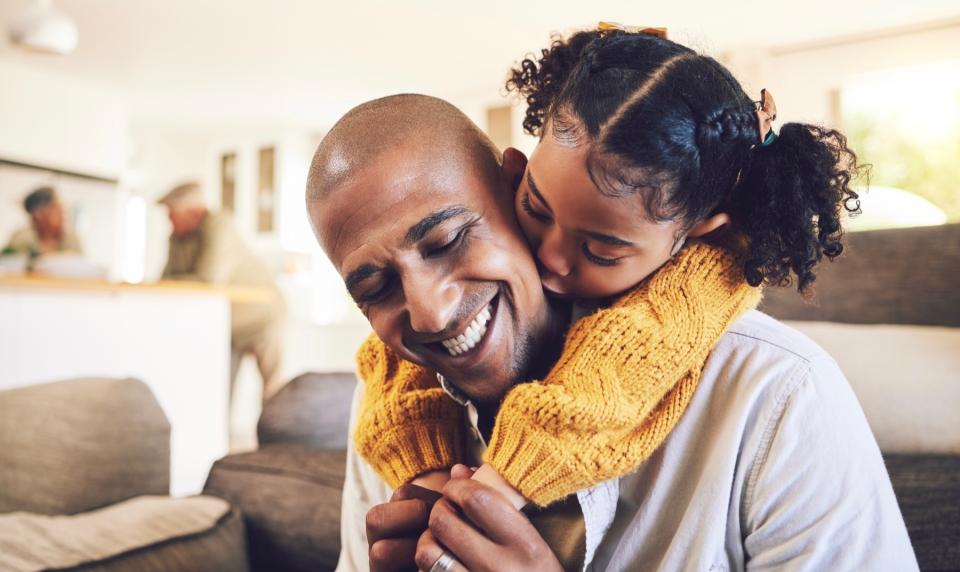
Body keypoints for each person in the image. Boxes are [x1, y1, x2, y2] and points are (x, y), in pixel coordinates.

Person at [307, 90, 917, 571]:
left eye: (445, 240)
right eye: (374, 288)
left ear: (517, 189)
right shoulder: (392, 412)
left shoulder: (777, 395)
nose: (430, 314)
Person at [158, 181, 286, 401]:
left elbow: (209, 279)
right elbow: (166, 280)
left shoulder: (219, 224)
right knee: (219, 393)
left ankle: (274, 436)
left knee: (272, 391)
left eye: (172, 213)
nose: (168, 220)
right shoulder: (176, 238)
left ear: (193, 211)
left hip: (262, 317)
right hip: (227, 324)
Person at [4, 187, 82, 260]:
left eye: (63, 211)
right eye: (57, 211)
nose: (63, 216)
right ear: (38, 215)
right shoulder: (22, 239)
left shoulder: (71, 239)